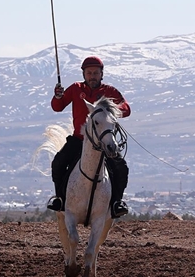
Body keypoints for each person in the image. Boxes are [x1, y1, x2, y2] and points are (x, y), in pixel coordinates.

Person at [47, 56, 132, 218]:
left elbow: (126, 108)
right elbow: (57, 107)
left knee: (121, 168)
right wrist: (58, 96)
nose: (92, 76)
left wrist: (112, 109)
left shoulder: (110, 91)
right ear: (84, 74)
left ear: (102, 74)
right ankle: (60, 199)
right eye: (89, 73)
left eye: (95, 73)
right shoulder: (75, 88)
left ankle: (116, 203)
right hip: (79, 140)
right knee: (58, 163)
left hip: (104, 142)